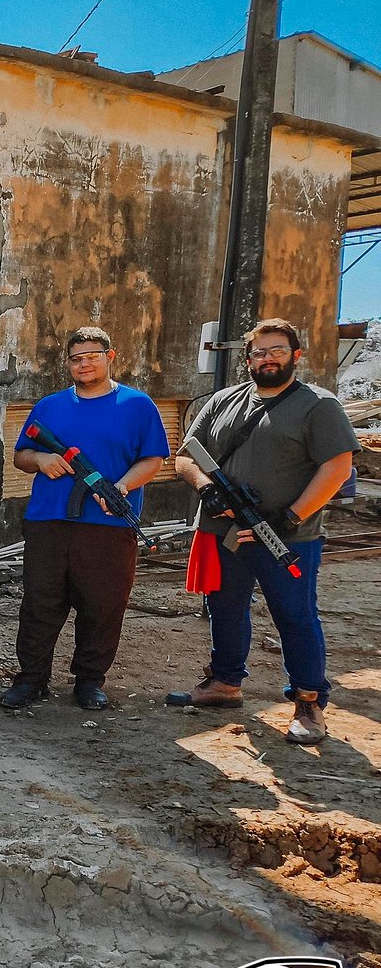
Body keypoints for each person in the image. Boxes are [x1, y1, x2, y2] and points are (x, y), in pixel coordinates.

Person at [167, 318, 358, 745]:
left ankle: (309, 701)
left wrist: (289, 518)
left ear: (296, 356)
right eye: (259, 352)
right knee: (224, 609)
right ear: (248, 359)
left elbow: (337, 468)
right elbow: (186, 457)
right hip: (225, 532)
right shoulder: (223, 401)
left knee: (295, 616)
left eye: (277, 351)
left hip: (287, 537)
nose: (268, 359)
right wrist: (206, 489)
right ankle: (225, 683)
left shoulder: (318, 405)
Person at [4, 326, 169, 712]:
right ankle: (31, 679)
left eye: (92, 356)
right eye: (76, 359)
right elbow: (21, 456)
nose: (84, 364)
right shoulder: (49, 406)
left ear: (110, 356)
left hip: (109, 526)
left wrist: (123, 487)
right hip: (48, 522)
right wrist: (41, 459)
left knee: (103, 605)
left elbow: (153, 459)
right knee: (40, 603)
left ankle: (90, 680)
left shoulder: (138, 405)